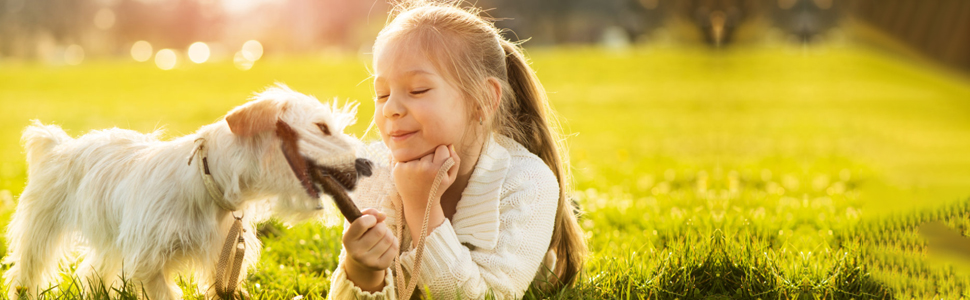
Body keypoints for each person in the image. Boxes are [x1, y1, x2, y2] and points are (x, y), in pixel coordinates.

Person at [328, 1, 586, 299]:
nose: (391, 109)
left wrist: (422, 207)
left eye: (418, 90)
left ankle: (567, 213)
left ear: (484, 100)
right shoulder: (373, 173)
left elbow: (484, 296)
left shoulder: (527, 182)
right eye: (382, 94)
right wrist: (363, 270)